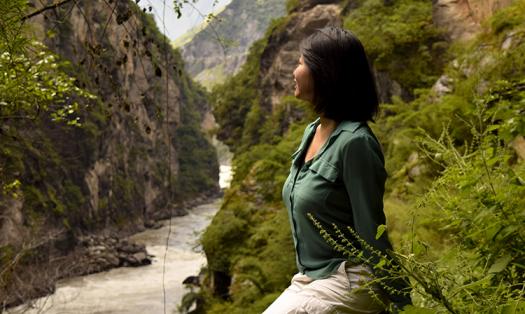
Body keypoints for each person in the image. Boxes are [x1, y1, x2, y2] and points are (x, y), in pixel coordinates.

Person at [263, 27, 411, 313]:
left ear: (325, 73)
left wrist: (403, 303)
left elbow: (372, 229)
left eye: (300, 62)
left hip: (351, 277)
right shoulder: (312, 131)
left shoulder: (355, 143)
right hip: (309, 278)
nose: (294, 71)